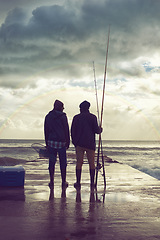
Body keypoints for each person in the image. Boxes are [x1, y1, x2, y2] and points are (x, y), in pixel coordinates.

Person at [71, 100, 102, 190]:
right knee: (91, 163)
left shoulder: (76, 117)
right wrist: (100, 129)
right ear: (88, 108)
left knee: (79, 163)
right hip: (90, 144)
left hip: (79, 144)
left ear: (81, 108)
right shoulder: (93, 117)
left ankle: (78, 182)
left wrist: (75, 142)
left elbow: (72, 131)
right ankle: (92, 183)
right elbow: (96, 131)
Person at [44, 99, 70, 189]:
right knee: (63, 163)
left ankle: (51, 181)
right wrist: (68, 141)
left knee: (52, 162)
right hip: (62, 143)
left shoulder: (48, 116)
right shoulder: (63, 116)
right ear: (59, 107)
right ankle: (63, 181)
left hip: (51, 142)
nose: (63, 108)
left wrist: (46, 142)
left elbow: (46, 130)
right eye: (62, 106)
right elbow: (66, 129)